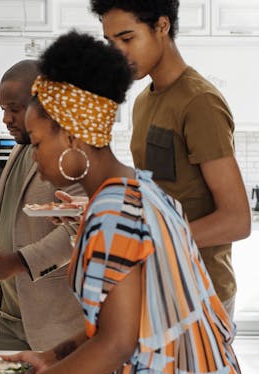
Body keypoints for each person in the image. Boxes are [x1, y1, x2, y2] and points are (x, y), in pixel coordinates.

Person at [0, 32, 254, 374]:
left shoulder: (111, 212)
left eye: (37, 140)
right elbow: (129, 316)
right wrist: (52, 356)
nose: (34, 155)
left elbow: (116, 344)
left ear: (71, 136)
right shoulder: (141, 190)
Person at [90, 0, 251, 319]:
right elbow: (158, 189)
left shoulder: (199, 101)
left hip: (200, 293)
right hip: (159, 284)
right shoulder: (142, 102)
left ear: (162, 26)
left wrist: (149, 239)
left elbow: (237, 220)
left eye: (127, 38)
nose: (117, 54)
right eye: (110, 42)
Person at [0, 60, 85, 351]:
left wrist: (17, 261)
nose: (5, 118)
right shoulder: (21, 147)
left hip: (54, 325)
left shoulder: (73, 150)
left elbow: (80, 226)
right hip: (10, 317)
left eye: (14, 109)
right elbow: (13, 216)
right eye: (3, 109)